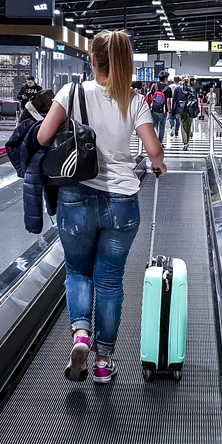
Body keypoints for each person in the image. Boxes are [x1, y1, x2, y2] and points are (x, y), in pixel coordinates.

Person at [36, 30, 166, 384]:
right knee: (109, 280)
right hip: (122, 202)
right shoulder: (134, 100)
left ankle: (81, 335)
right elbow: (153, 150)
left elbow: (43, 137)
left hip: (76, 196)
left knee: (78, 271)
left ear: (93, 60)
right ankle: (104, 361)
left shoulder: (71, 92)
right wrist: (159, 164)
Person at [146, 71, 173, 143]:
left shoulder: (154, 86)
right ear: (165, 78)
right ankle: (160, 142)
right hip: (163, 110)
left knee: (155, 125)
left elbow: (151, 96)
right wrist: (170, 111)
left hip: (154, 109)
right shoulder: (168, 88)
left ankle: (155, 142)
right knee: (162, 126)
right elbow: (168, 101)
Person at [174, 77, 197, 150]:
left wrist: (174, 111)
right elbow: (195, 100)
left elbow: (175, 101)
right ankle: (187, 142)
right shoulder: (192, 89)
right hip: (189, 109)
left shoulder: (177, 89)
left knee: (183, 126)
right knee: (188, 126)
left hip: (180, 109)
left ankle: (185, 143)